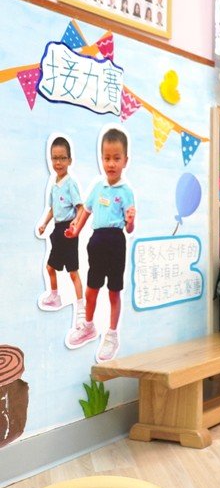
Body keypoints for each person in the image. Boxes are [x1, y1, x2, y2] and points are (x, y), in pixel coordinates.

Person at [65, 128, 135, 363]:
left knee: (114, 291)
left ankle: (112, 334)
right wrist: (75, 230)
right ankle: (88, 326)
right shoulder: (97, 187)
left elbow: (129, 228)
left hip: (116, 243)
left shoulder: (126, 192)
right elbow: (85, 211)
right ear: (101, 158)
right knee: (91, 289)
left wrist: (131, 221)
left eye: (116, 158)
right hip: (96, 243)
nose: (111, 163)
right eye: (107, 158)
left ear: (125, 160)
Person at [36, 137, 85, 316]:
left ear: (69, 160)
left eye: (63, 158)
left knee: (73, 272)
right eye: (55, 158)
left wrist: (75, 222)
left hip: (68, 231)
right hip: (57, 230)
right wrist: (44, 224)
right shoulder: (54, 186)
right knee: (50, 267)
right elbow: (52, 209)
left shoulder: (70, 183)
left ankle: (81, 306)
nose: (58, 162)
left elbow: (81, 207)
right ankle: (55, 296)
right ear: (50, 160)